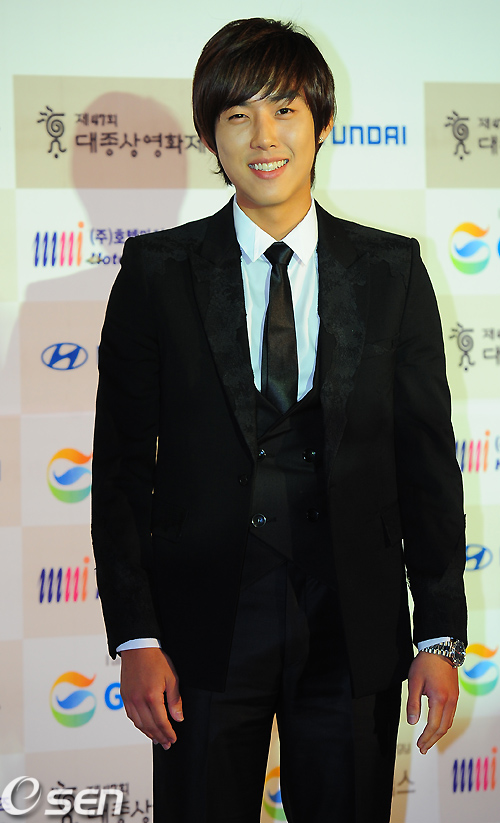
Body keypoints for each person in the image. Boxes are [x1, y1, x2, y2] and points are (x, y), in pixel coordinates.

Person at [91, 17, 467, 823]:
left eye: (284, 110)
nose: (264, 138)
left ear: (322, 123)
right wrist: (136, 635)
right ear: (210, 137)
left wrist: (437, 635)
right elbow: (120, 469)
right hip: (199, 632)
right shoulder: (157, 272)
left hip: (353, 625)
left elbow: (427, 464)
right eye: (238, 115)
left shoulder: (392, 270)